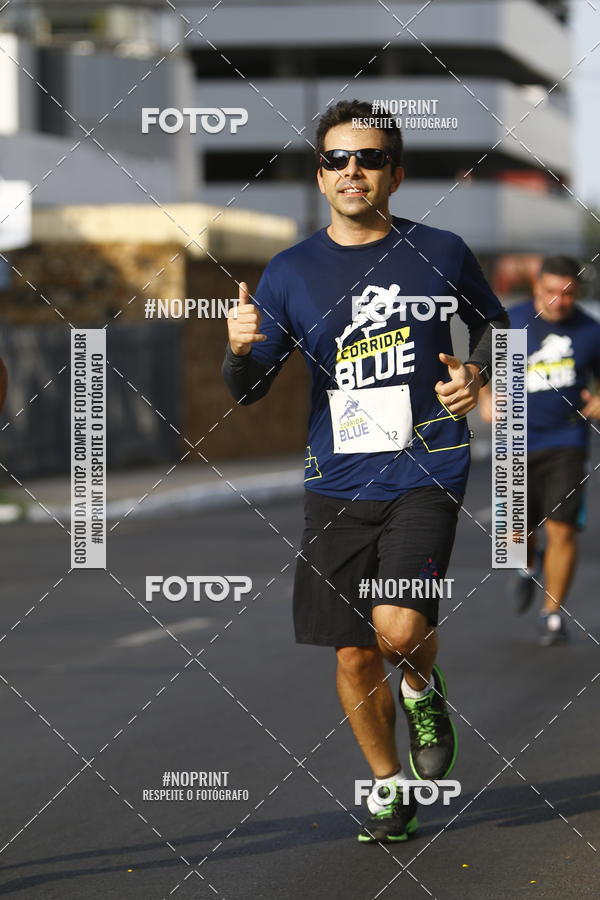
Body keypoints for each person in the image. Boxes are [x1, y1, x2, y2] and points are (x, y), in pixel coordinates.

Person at [222, 99, 508, 843]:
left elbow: (496, 323)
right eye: (337, 159)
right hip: (336, 481)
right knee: (352, 652)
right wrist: (237, 347)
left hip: (428, 466)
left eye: (369, 158)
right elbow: (249, 388)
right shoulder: (289, 273)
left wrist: (474, 374)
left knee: (398, 626)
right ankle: (387, 787)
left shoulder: (440, 252)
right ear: (321, 178)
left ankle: (420, 681)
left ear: (396, 173)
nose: (353, 170)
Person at [480, 256, 600, 645]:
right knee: (517, 536)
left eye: (567, 294)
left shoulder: (589, 331)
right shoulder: (510, 322)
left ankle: (552, 614)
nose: (559, 301)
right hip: (514, 441)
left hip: (566, 441)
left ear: (576, 293)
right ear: (537, 287)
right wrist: (484, 397)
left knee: (562, 530)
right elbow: (480, 366)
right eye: (551, 292)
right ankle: (526, 567)